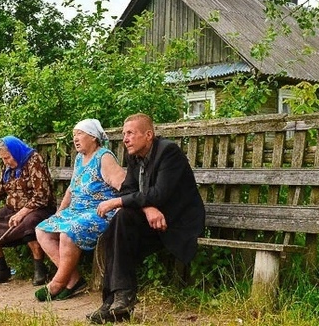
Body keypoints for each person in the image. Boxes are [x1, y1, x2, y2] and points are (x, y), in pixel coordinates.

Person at [86, 113, 205, 324]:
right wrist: (148, 208)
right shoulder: (134, 156)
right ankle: (117, 300)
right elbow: (128, 190)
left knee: (120, 218)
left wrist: (119, 202)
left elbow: (160, 193)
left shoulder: (169, 152)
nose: (125, 139)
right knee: (117, 226)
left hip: (177, 223)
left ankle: (118, 299)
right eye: (124, 134)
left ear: (148, 135)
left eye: (130, 133)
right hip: (155, 220)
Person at [34, 119, 126, 301]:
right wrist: (60, 211)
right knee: (42, 230)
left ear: (93, 137)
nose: (75, 138)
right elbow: (72, 188)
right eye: (74, 135)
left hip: (99, 211)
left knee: (68, 233)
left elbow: (124, 184)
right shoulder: (79, 158)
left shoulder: (104, 157)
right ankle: (74, 279)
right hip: (76, 211)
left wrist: (117, 204)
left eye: (79, 134)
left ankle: (58, 283)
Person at [0, 135, 56, 286]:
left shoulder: (34, 160)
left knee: (29, 223)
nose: (5, 162)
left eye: (7, 158)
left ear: (16, 151)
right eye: (3, 159)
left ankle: (40, 269)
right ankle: (2, 270)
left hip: (39, 208)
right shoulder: (8, 167)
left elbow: (42, 195)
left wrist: (22, 213)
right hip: (12, 208)